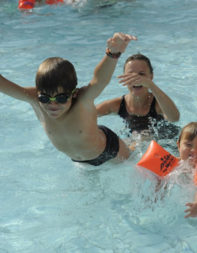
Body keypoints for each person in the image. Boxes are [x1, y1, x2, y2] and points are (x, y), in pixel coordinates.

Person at [0, 32, 137, 166]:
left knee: (135, 167)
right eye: (45, 98)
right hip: (81, 161)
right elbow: (4, 85)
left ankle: (137, 142)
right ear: (38, 93)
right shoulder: (34, 99)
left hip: (109, 149)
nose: (52, 104)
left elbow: (99, 81)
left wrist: (113, 53)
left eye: (61, 99)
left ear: (74, 93)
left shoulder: (82, 101)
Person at [96, 53, 180, 140]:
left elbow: (174, 118)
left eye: (142, 74)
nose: (136, 79)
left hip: (167, 141)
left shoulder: (159, 104)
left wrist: (151, 85)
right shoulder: (116, 105)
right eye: (130, 75)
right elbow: (86, 115)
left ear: (151, 76)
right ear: (124, 77)